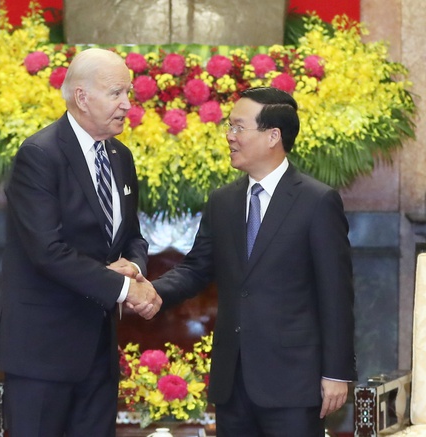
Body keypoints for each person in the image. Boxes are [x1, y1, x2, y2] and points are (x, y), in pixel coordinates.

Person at [148, 87, 356, 436]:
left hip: (293, 382)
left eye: (238, 127)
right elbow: (196, 268)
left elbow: (336, 294)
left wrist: (335, 373)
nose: (230, 136)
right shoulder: (223, 201)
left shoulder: (317, 202)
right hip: (234, 382)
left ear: (273, 135)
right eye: (229, 127)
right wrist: (148, 291)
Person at [0, 48, 162, 437]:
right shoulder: (40, 154)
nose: (127, 105)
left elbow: (131, 236)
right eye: (117, 93)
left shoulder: (121, 156)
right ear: (82, 97)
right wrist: (124, 288)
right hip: (42, 353)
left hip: (98, 353)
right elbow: (46, 251)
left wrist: (134, 268)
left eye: (129, 93)